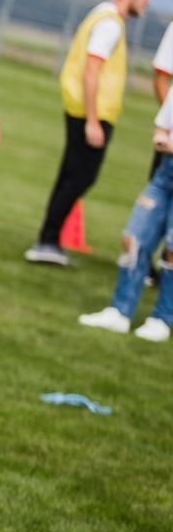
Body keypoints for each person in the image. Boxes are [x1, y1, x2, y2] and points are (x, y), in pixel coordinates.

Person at [25, 0, 159, 266]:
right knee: (81, 177)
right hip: (91, 112)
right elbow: (92, 70)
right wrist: (93, 120)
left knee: (71, 175)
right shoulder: (110, 24)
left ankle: (49, 238)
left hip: (81, 109)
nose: (147, 2)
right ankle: (47, 240)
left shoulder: (101, 15)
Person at [78, 85, 173, 342]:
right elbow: (162, 127)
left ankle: (162, 319)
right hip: (165, 175)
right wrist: (160, 138)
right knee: (133, 237)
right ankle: (120, 312)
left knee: (172, 249)